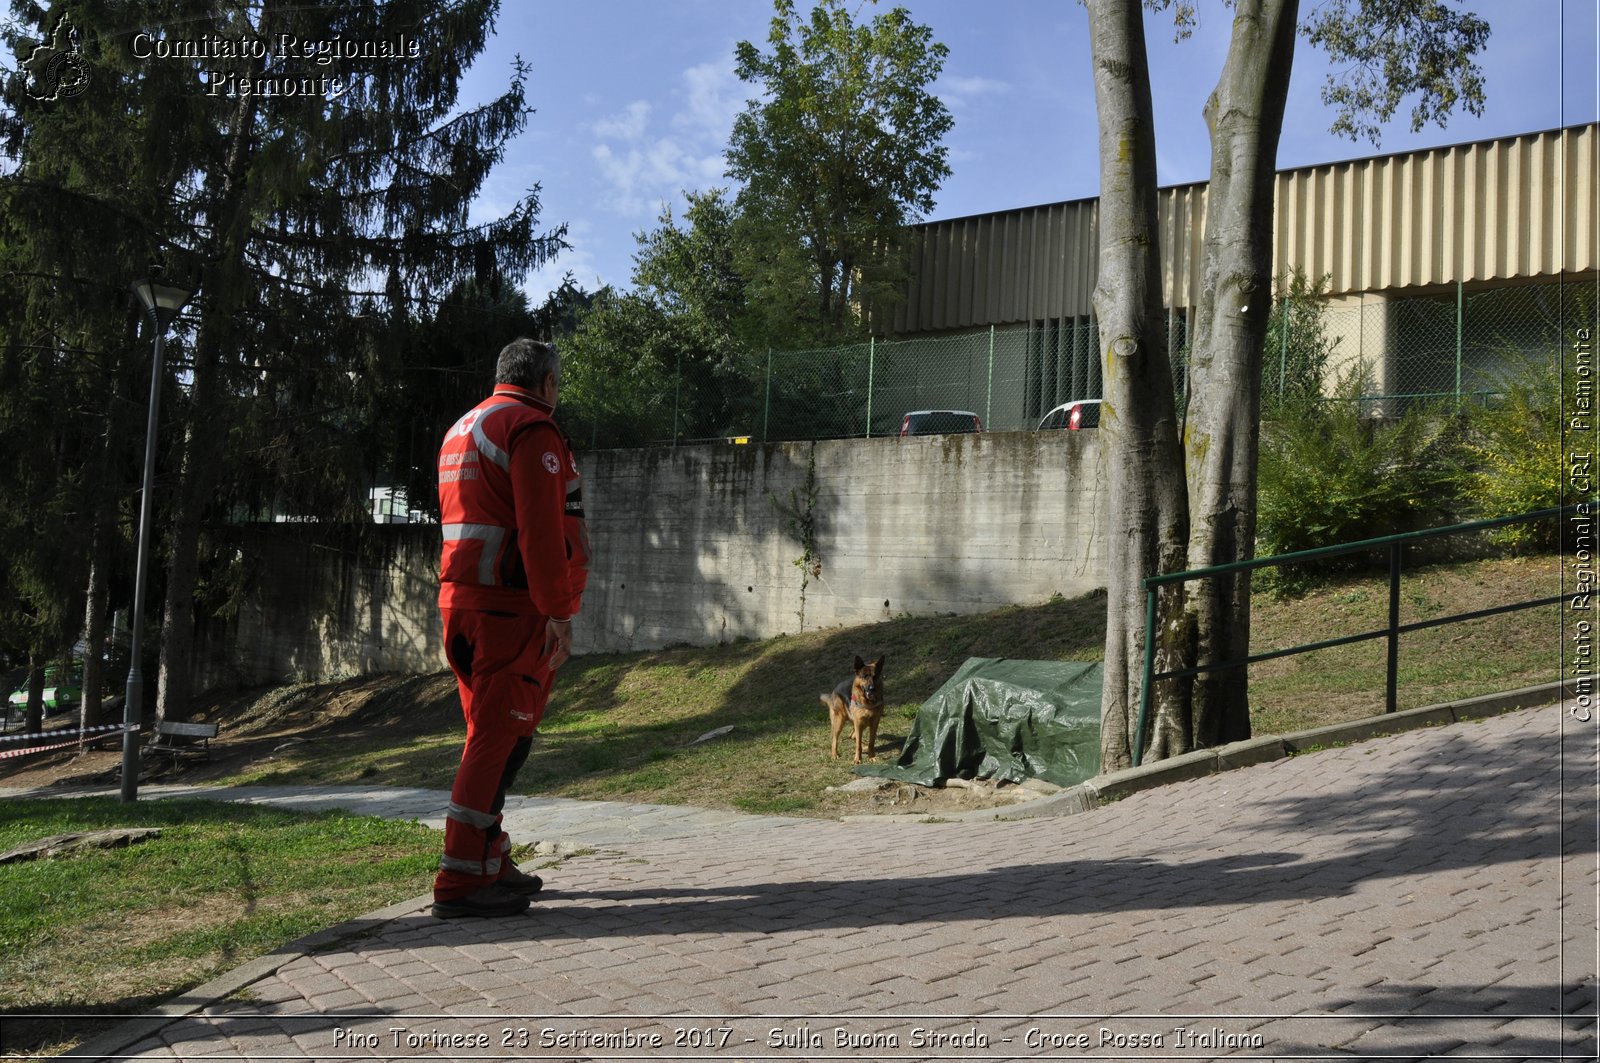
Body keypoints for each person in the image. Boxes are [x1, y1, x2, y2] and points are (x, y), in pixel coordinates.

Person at [430, 338, 589, 919]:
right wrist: (559, 613)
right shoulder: (530, 429)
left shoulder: (462, 428)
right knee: (499, 741)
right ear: (546, 382)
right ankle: (461, 879)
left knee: (497, 737)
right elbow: (542, 533)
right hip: (510, 612)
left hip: (464, 605)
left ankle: (490, 858)